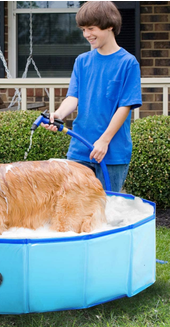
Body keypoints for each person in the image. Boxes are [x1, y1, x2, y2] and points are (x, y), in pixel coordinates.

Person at [42, 1, 142, 192]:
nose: (86, 34)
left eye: (91, 28)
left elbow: (125, 107)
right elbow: (73, 98)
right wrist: (58, 115)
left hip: (113, 151)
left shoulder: (128, 63)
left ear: (109, 25)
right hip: (80, 148)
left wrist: (104, 140)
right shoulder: (82, 62)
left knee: (106, 208)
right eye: (83, 29)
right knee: (75, 206)